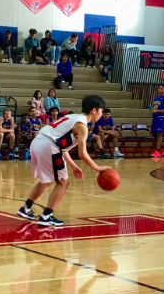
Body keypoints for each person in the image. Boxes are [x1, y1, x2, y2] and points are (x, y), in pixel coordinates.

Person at [16, 95, 112, 226]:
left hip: (38, 143)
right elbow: (82, 153)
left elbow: (63, 148)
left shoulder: (71, 117)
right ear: (94, 110)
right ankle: (46, 216)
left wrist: (73, 166)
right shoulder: (82, 126)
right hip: (48, 146)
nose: (101, 114)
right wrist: (98, 168)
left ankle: (26, 208)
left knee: (48, 180)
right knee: (63, 182)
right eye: (101, 111)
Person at [150, 84, 164, 158]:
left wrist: (157, 111)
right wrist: (152, 109)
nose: (159, 89)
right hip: (155, 117)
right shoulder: (155, 98)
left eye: (161, 88)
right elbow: (154, 108)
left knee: (159, 134)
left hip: (161, 117)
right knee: (154, 134)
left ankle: (157, 150)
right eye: (159, 88)